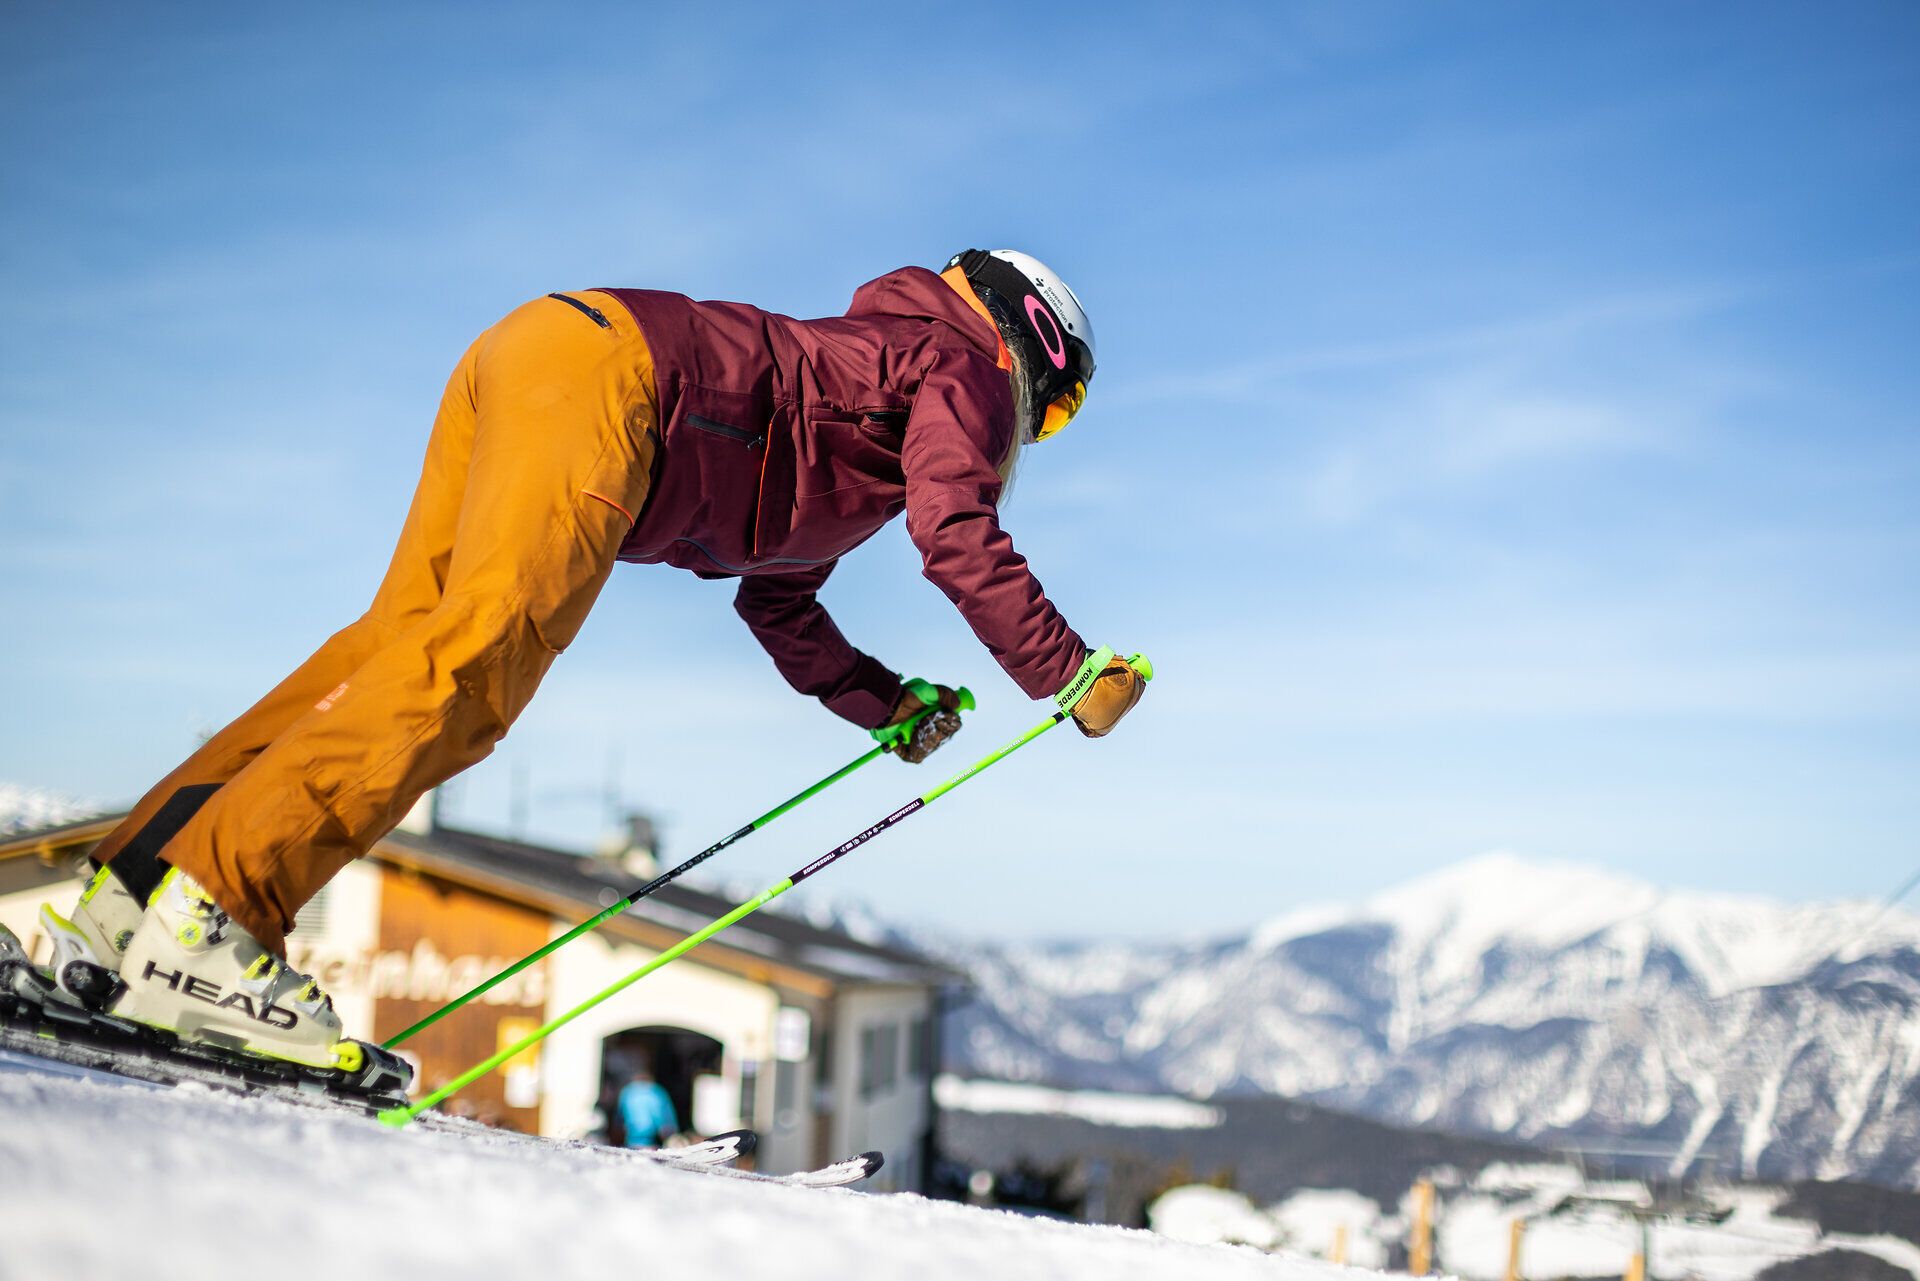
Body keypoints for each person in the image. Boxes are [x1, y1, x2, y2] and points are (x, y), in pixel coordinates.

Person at [37, 249, 1148, 1073]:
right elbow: (956, 531)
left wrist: (882, 702)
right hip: (619, 389)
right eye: (1055, 411)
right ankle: (212, 924)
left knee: (397, 647)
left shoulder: (868, 387)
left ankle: (131, 905)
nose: (1031, 434)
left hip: (545, 348)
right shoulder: (967, 365)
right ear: (1035, 348)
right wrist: (1067, 672)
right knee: (471, 672)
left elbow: (779, 600)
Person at [615, 1057, 678, 1149]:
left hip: (631, 1137)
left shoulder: (627, 1091)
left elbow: (619, 1115)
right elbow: (665, 1115)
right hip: (651, 1139)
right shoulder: (656, 1091)